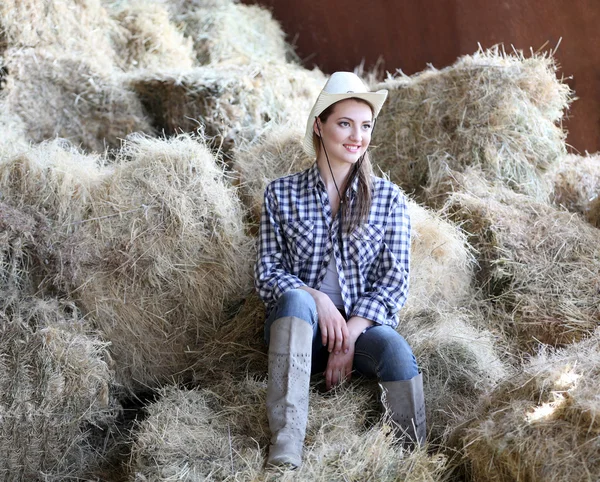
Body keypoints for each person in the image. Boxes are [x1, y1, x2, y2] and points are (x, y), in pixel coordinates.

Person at [254, 71, 425, 468]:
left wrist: (350, 332)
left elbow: (394, 280)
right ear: (320, 126)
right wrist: (318, 301)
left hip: (358, 329)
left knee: (395, 350)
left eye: (365, 126)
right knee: (296, 298)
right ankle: (286, 445)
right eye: (345, 123)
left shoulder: (387, 198)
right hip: (297, 330)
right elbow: (267, 272)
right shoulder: (281, 193)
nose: (356, 136)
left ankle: (412, 458)